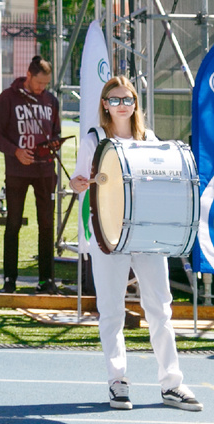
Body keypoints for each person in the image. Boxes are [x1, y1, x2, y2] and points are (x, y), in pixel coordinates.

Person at [70, 77, 203, 412]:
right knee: (112, 310)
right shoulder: (94, 139)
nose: (122, 105)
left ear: (135, 103)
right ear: (104, 104)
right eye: (115, 100)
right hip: (108, 235)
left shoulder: (149, 140)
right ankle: (117, 381)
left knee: (160, 308)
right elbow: (77, 181)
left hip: (147, 233)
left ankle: (172, 384)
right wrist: (78, 183)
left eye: (127, 99)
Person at [0, 55, 61, 294]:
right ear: (28, 75)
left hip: (45, 171)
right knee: (13, 223)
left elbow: (56, 132)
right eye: (39, 83)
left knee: (47, 225)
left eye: (46, 84)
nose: (42, 88)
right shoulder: (7, 98)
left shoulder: (51, 100)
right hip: (17, 171)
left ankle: (46, 280)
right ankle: (10, 279)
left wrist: (54, 144)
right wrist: (16, 151)